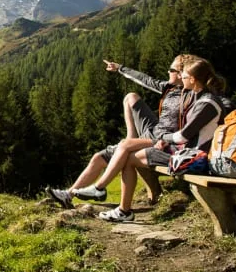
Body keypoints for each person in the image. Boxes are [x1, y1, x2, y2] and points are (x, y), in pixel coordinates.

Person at [44, 55, 196, 208]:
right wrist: (120, 68)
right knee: (100, 155)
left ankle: (100, 189)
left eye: (171, 69)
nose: (167, 72)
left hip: (164, 141)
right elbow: (145, 80)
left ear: (181, 74)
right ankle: (67, 195)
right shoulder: (168, 88)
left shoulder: (192, 94)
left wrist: (169, 142)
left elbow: (194, 125)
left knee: (123, 150)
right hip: (154, 132)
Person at [97, 56, 228, 222]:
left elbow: (183, 135)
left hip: (194, 158)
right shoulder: (201, 98)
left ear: (193, 79)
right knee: (129, 155)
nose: (181, 78)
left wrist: (163, 138)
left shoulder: (206, 103)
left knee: (129, 159)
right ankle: (120, 206)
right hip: (186, 151)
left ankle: (122, 210)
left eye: (184, 76)